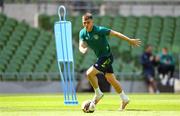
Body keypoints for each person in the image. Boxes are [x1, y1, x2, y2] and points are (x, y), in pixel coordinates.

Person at [79, 13, 141, 110]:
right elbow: (81, 44)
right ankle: (125, 99)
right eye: (84, 23)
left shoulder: (99, 30)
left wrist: (129, 40)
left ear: (92, 22)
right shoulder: (82, 33)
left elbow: (116, 34)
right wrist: (82, 49)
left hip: (106, 57)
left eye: (88, 22)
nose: (86, 25)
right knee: (111, 79)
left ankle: (98, 93)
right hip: (101, 58)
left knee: (89, 73)